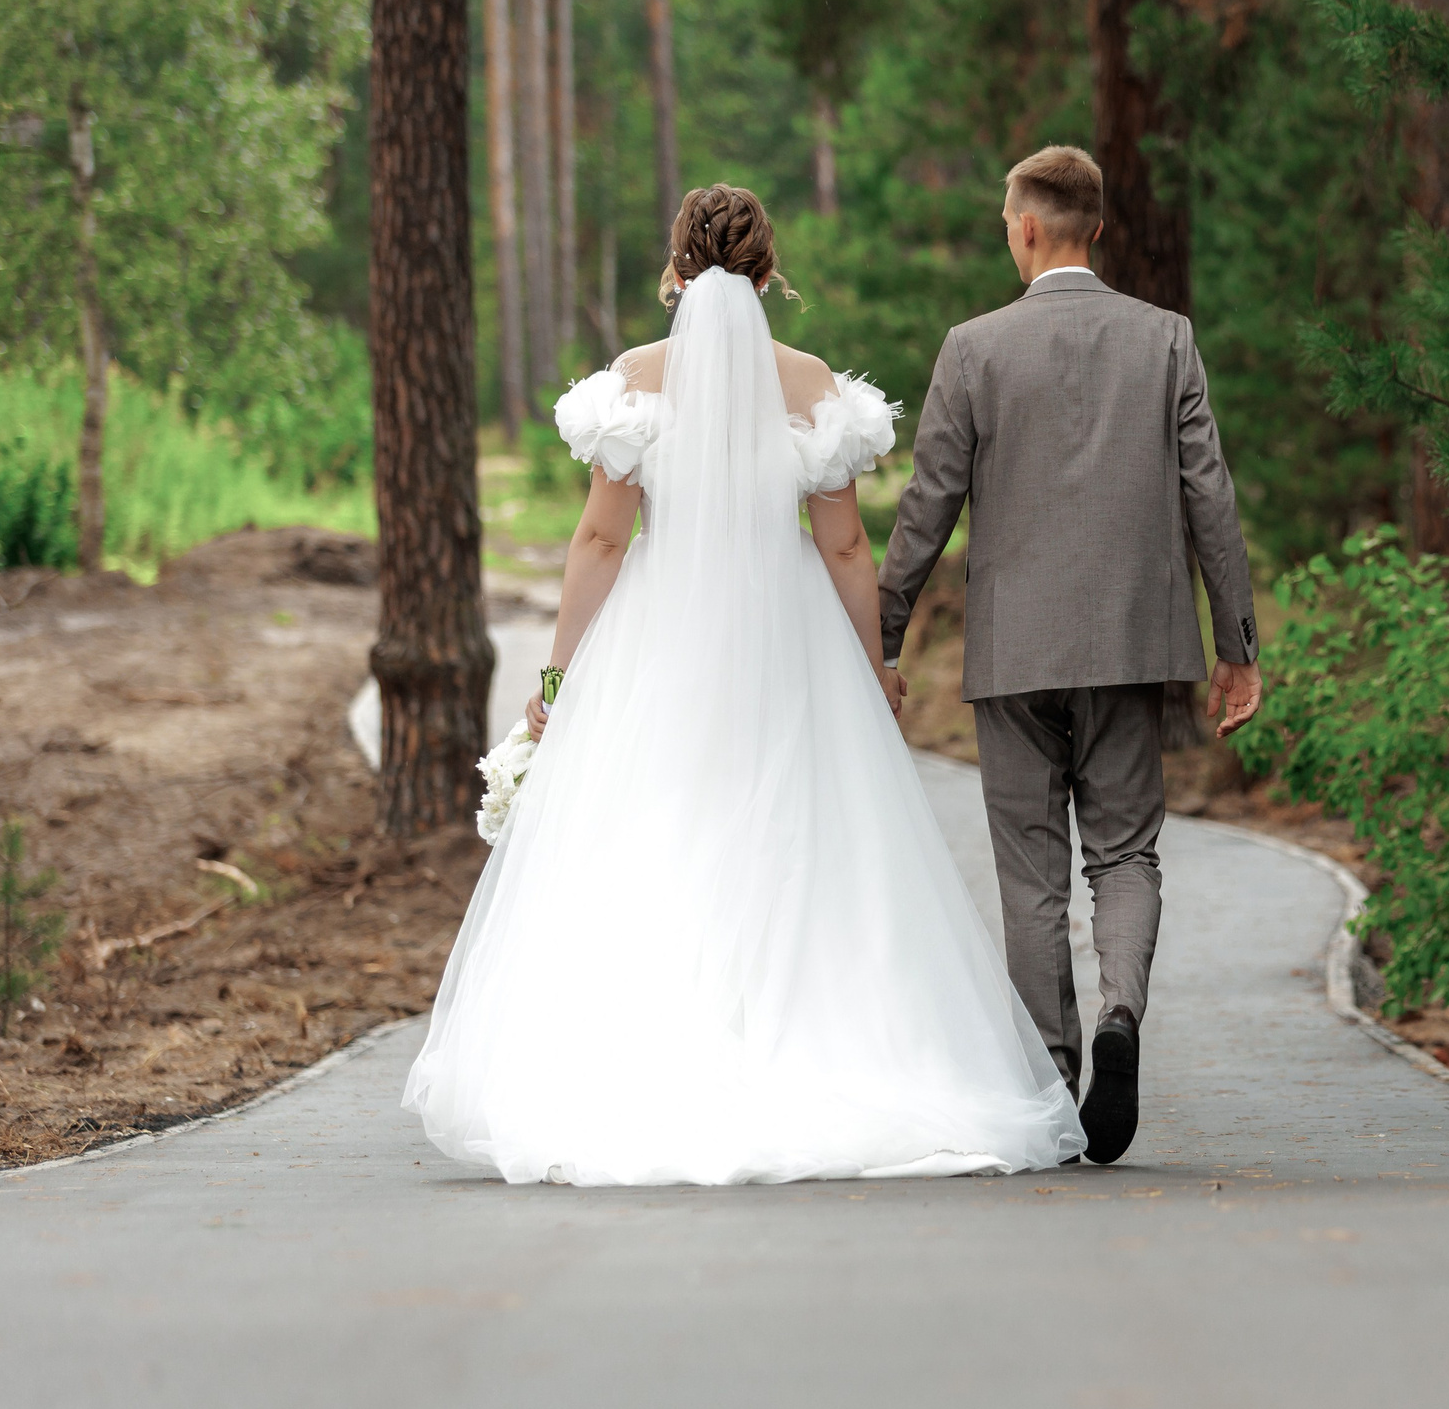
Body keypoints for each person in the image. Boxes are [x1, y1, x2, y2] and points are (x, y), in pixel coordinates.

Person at [402, 184, 1085, 1186]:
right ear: (769, 269)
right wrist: (872, 668)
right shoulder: (812, 387)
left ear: (676, 267)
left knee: (658, 828)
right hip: (789, 638)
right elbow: (847, 548)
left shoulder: (636, 381)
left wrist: (559, 671)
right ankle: (823, 1050)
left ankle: (647, 1065)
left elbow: (600, 535)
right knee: (803, 838)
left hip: (660, 634)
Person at [877, 144, 1262, 1167]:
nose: (1007, 236)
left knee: (1031, 872)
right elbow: (1209, 497)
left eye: (1008, 222)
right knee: (1127, 853)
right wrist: (1237, 645)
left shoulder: (972, 348)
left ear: (1034, 227)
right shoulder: (1165, 340)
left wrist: (883, 634)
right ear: (1093, 227)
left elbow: (928, 508)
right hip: (1135, 644)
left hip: (1014, 650)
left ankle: (1050, 1074)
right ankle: (1121, 1017)